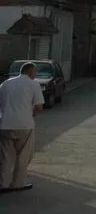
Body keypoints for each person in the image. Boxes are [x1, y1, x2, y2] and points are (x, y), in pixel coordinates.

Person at [0, 61, 45, 194]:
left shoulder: (5, 84)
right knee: (23, 155)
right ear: (30, 72)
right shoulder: (33, 84)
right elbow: (39, 107)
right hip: (25, 125)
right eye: (35, 72)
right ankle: (17, 183)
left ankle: (3, 183)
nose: (35, 75)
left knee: (5, 156)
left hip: (5, 125)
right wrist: (31, 115)